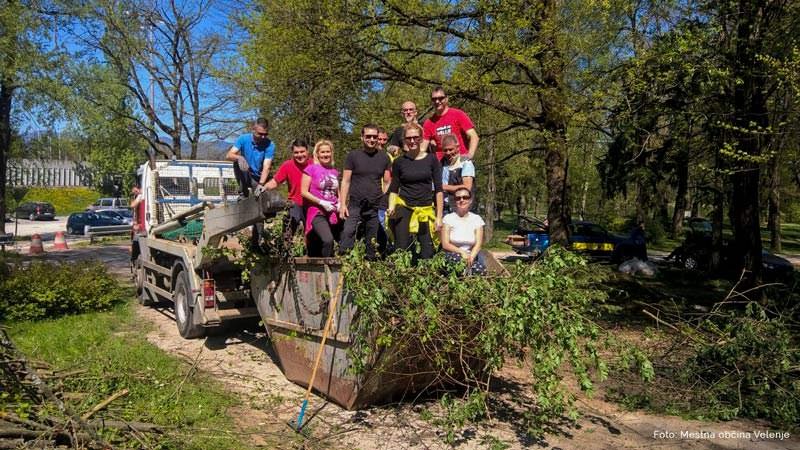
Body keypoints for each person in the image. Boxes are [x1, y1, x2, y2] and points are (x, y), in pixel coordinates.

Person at [387, 122, 443, 261]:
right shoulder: (399, 162)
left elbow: (439, 189)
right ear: (404, 140)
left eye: (415, 137)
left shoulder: (431, 159)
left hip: (425, 209)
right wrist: (391, 207)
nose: (412, 141)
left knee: (427, 252)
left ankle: (425, 272)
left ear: (421, 138)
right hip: (404, 207)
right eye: (409, 138)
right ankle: (402, 273)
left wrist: (439, 217)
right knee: (402, 249)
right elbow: (394, 188)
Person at [339, 124, 392, 259]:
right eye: (368, 136)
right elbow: (345, 181)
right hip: (355, 203)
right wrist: (342, 204)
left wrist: (383, 198)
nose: (372, 139)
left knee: (372, 240)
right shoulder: (353, 156)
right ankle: (344, 261)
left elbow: (387, 181)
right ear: (362, 137)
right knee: (348, 232)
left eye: (374, 137)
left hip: (374, 205)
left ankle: (370, 262)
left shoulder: (384, 158)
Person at [301, 140, 340, 257]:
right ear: (317, 154)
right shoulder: (311, 169)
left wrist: (340, 203)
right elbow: (303, 192)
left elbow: (337, 191)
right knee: (328, 240)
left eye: (328, 152)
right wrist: (321, 202)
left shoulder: (334, 171)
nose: (326, 154)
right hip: (317, 211)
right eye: (322, 152)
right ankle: (326, 265)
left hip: (332, 212)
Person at [421, 87, 479, 160]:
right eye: (434, 99)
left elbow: (474, 136)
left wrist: (469, 155)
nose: (437, 101)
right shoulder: (428, 123)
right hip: (441, 164)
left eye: (440, 98)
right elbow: (422, 149)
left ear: (446, 99)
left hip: (461, 161)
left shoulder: (458, 114)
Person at [265, 139, 310, 233]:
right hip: (294, 202)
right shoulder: (287, 165)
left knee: (311, 233)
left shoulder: (314, 164)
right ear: (292, 153)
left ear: (307, 151)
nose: (299, 155)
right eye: (296, 152)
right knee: (288, 227)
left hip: (311, 203)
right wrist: (263, 188)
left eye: (302, 151)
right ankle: (286, 241)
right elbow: (275, 181)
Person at [441, 187, 486, 275]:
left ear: (470, 200)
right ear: (455, 201)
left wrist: (471, 257)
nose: (462, 200)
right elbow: (445, 244)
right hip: (452, 256)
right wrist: (461, 252)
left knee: (481, 271)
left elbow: (478, 244)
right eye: (458, 198)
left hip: (471, 256)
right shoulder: (448, 218)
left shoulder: (477, 219)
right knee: (457, 264)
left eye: (465, 197)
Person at [225, 118, 275, 197]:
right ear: (253, 130)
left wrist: (261, 184)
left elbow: (267, 166)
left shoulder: (270, 145)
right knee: (237, 161)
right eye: (260, 134)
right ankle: (243, 192)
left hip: (260, 178)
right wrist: (239, 157)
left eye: (265, 134)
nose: (263, 137)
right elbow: (228, 155)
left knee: (261, 195)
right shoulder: (243, 139)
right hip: (247, 173)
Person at [440, 134, 476, 213]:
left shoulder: (465, 163)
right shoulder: (440, 164)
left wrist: (443, 187)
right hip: (444, 208)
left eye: (451, 149)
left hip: (462, 208)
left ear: (458, 147)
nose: (448, 153)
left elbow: (467, 187)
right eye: (445, 150)